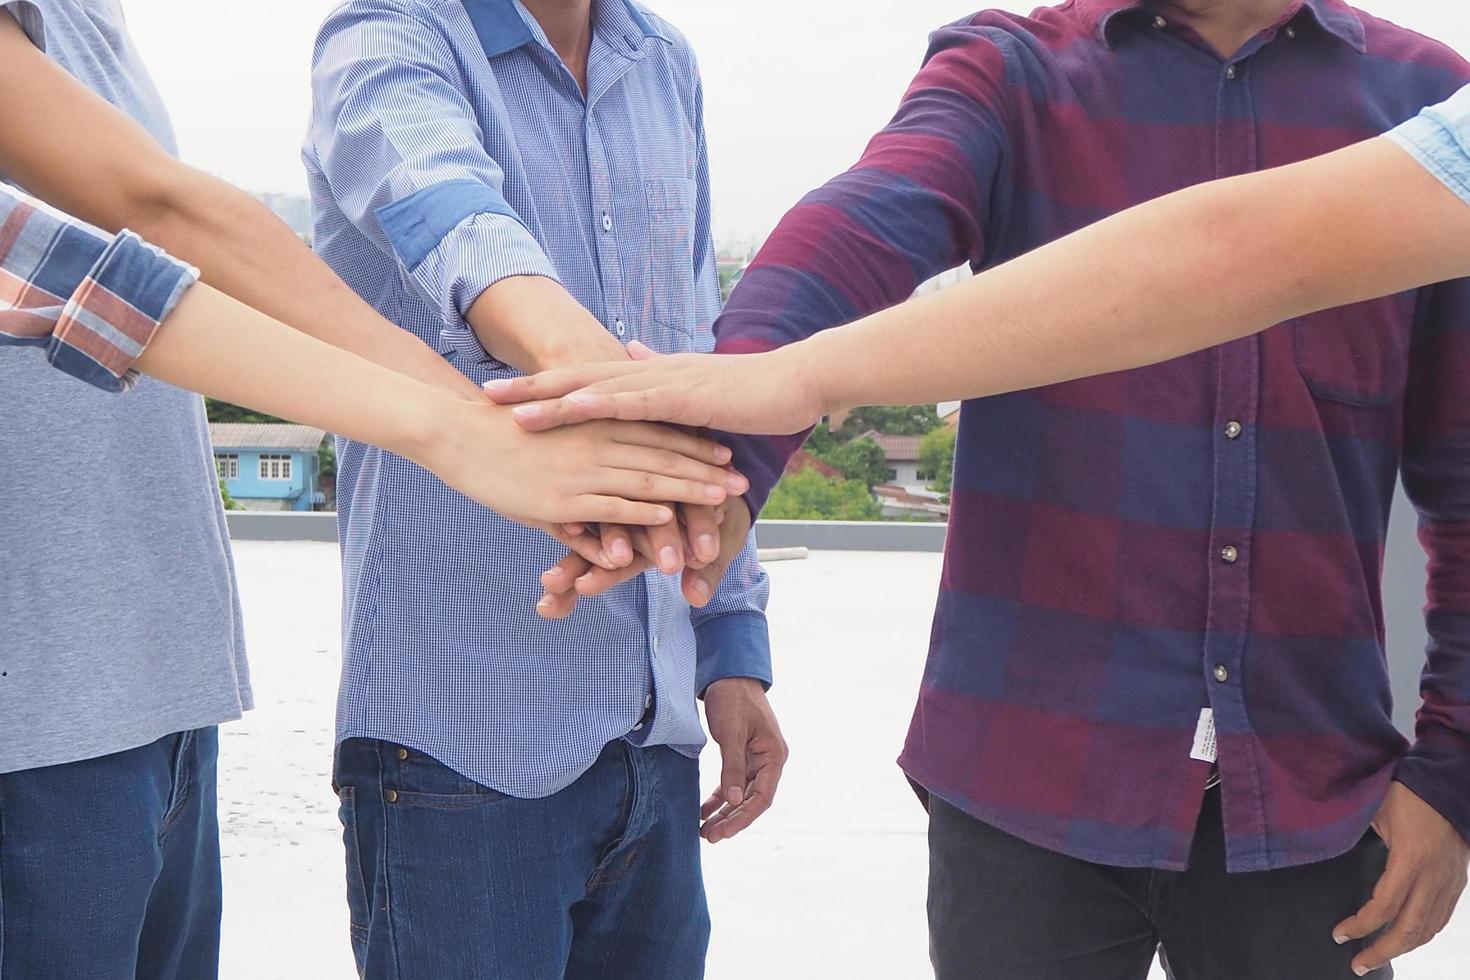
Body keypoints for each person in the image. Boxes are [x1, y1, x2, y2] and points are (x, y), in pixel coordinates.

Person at [495, 3, 1470, 978]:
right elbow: (859, 227)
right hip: (1031, 774)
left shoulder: (1426, 102)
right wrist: (717, 461)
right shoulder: (1014, 68)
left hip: (1312, 791)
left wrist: (1451, 770)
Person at [0, 4, 733, 978]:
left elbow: (150, 266)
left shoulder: (86, 19)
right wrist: (486, 422)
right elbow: (130, 243)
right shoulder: (389, 34)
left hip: (158, 696)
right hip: (59, 721)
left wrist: (726, 634)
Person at [305, 1, 784, 976]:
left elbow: (689, 348)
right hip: (457, 747)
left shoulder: (661, 62)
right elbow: (453, 220)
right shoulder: (386, 36)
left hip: (653, 737)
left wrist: (729, 640)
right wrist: (589, 369)